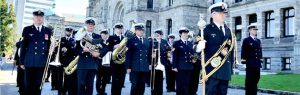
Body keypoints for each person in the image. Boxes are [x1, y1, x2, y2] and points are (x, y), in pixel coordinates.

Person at [196, 2, 234, 95]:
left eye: (224, 13)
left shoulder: (229, 30)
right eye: (220, 13)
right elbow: (195, 45)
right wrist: (198, 47)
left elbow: (230, 51)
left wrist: (231, 68)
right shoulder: (206, 29)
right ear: (213, 14)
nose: (223, 15)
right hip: (212, 70)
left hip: (225, 70)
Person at [19, 10, 52, 95]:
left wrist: (50, 60)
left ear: (43, 18)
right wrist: (21, 62)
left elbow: (49, 47)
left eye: (40, 17)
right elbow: (23, 47)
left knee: (38, 86)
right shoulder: (27, 29)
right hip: (29, 62)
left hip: (42, 63)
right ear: (33, 18)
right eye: (36, 17)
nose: (38, 18)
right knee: (28, 85)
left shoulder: (48, 31)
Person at [75, 18, 108, 95]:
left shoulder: (97, 37)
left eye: (92, 25)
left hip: (93, 64)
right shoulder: (80, 35)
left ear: (94, 26)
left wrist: (99, 53)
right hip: (82, 65)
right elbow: (76, 49)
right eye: (89, 24)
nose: (90, 26)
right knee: (80, 86)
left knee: (90, 86)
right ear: (86, 25)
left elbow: (106, 48)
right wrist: (83, 50)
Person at [126, 23, 151, 95]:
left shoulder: (147, 41)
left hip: (144, 66)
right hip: (134, 67)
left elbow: (149, 54)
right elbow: (128, 55)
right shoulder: (131, 40)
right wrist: (128, 67)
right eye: (139, 30)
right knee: (135, 84)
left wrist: (150, 63)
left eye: (142, 30)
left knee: (142, 85)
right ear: (136, 31)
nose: (141, 32)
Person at [172, 27, 195, 95]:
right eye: (184, 33)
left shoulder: (190, 43)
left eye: (186, 33)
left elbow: (192, 54)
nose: (185, 34)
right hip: (180, 67)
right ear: (180, 34)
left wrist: (194, 59)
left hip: (189, 67)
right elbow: (174, 55)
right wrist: (174, 66)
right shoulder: (177, 43)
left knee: (187, 84)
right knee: (180, 84)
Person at [241, 24, 262, 95]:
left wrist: (260, 60)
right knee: (249, 81)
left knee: (256, 79)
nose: (255, 31)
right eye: (254, 29)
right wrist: (244, 62)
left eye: (256, 30)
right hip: (250, 64)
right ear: (250, 30)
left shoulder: (258, 40)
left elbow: (260, 51)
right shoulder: (246, 40)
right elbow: (243, 51)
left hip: (257, 64)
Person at [150, 29, 169, 95]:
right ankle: (153, 93)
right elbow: (149, 51)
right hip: (154, 63)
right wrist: (151, 56)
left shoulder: (164, 42)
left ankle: (159, 93)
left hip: (162, 63)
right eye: (155, 35)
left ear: (161, 35)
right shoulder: (152, 41)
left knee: (160, 80)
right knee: (154, 80)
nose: (156, 36)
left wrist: (169, 53)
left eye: (158, 35)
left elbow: (168, 50)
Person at [110, 23, 127, 95]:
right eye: (118, 28)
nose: (119, 30)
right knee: (114, 80)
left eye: (121, 28)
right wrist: (113, 47)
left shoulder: (124, 38)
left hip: (123, 62)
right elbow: (107, 47)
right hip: (114, 62)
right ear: (115, 29)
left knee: (121, 80)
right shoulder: (111, 37)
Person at [60, 27, 77, 95]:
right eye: (67, 31)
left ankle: (69, 91)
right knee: (61, 78)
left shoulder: (74, 40)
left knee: (69, 78)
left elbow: (74, 51)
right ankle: (61, 92)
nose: (69, 32)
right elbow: (57, 49)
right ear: (65, 31)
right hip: (62, 61)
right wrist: (61, 49)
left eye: (70, 31)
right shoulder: (61, 39)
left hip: (70, 61)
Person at [96, 29, 112, 95]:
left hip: (107, 63)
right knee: (99, 78)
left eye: (106, 34)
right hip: (99, 62)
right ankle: (98, 91)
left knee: (105, 78)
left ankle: (103, 90)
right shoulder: (98, 42)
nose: (105, 35)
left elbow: (111, 49)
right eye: (103, 34)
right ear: (101, 35)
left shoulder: (109, 42)